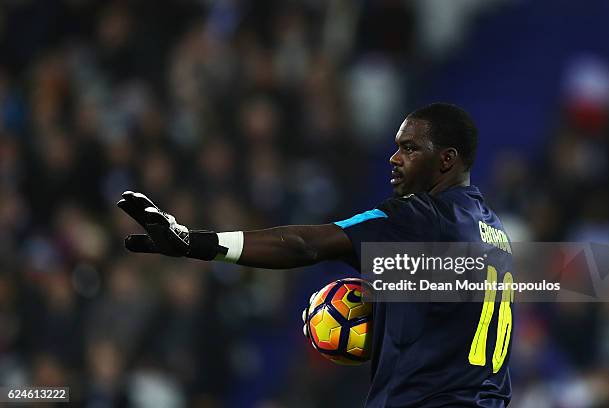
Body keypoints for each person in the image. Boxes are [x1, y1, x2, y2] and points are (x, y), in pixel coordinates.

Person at [118, 103, 513, 407]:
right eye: (395, 147)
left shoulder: (420, 218)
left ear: (446, 159)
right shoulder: (496, 234)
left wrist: (193, 243)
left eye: (409, 149)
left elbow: (303, 244)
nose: (395, 158)